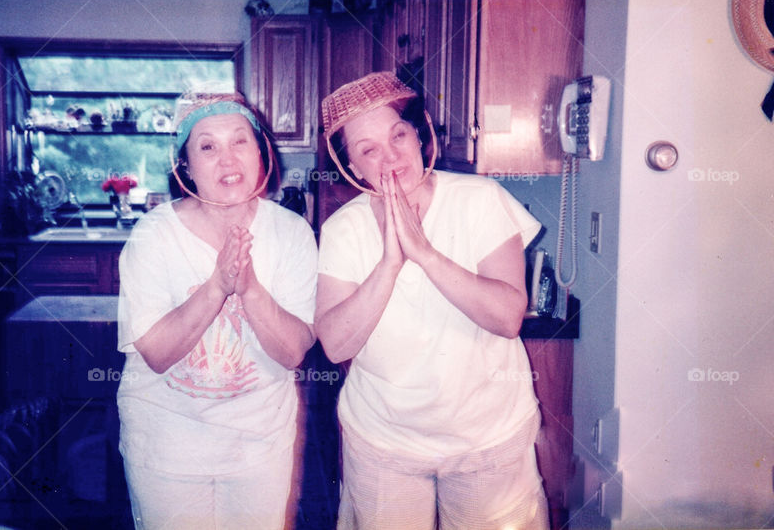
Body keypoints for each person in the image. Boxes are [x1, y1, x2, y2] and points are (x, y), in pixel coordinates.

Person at [315, 72, 549, 530]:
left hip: (488, 439)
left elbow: (507, 317)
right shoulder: (343, 229)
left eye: (398, 135)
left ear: (419, 136)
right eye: (368, 150)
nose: (390, 156)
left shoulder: (480, 200)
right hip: (384, 443)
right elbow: (336, 345)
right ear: (350, 167)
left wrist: (423, 252)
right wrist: (390, 263)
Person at [115, 89, 317, 530]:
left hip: (260, 446)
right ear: (184, 164)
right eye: (208, 146)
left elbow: (293, 352)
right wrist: (217, 287)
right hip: (167, 446)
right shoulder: (154, 236)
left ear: (260, 150)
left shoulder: (292, 232)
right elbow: (157, 353)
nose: (228, 160)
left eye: (240, 141)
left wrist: (250, 290)